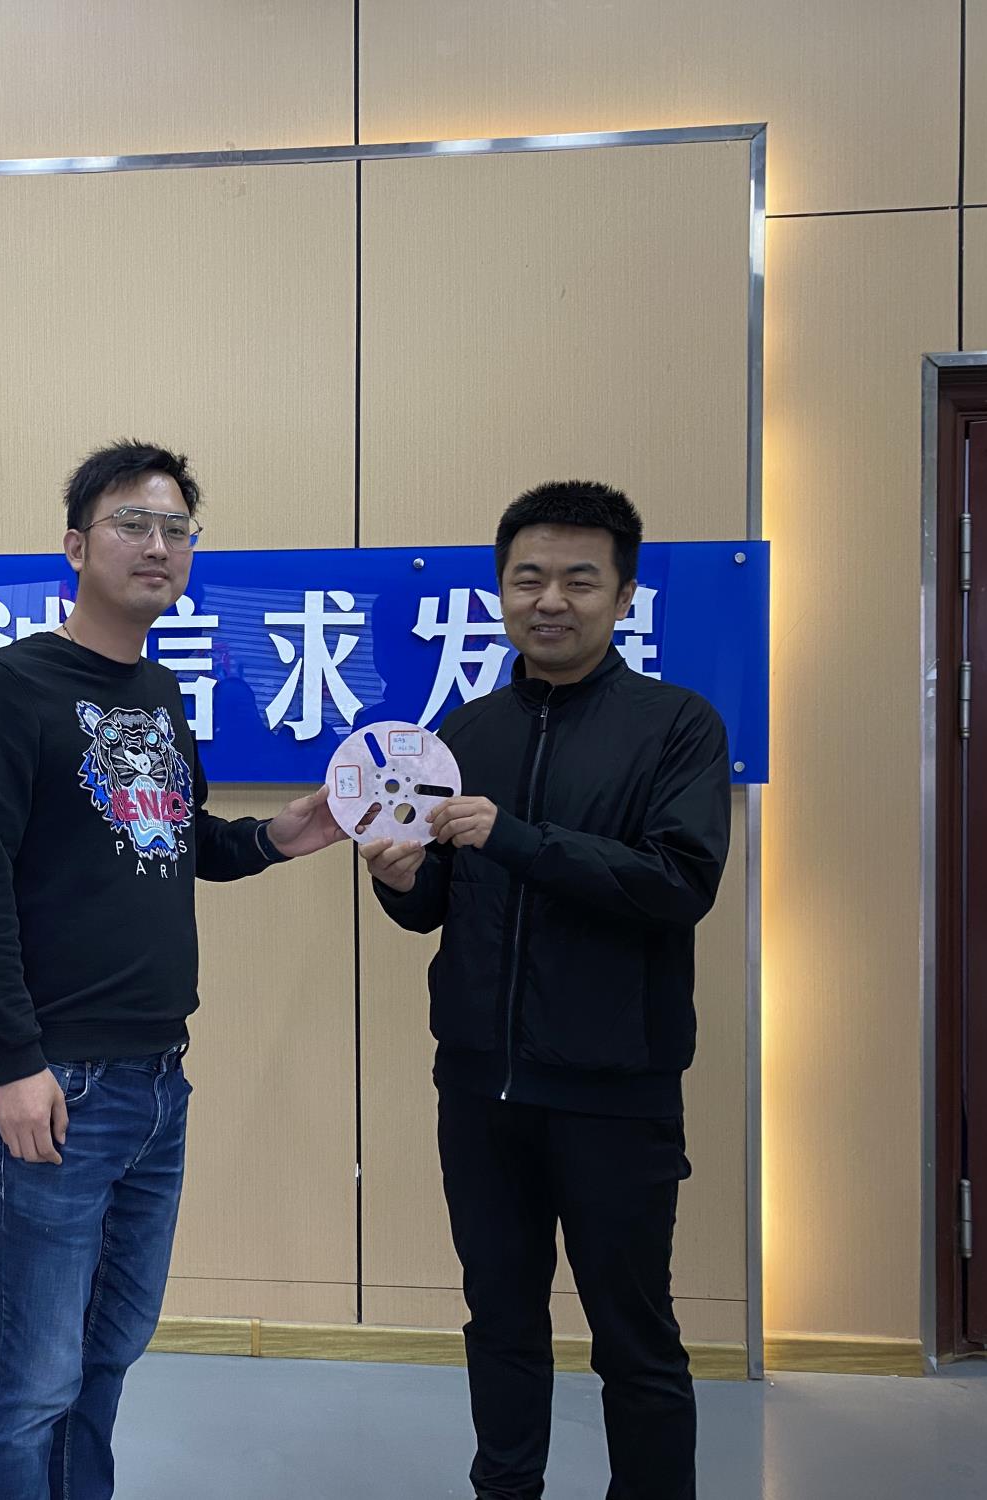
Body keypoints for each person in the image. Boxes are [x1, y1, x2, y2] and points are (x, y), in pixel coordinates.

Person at [0, 440, 343, 1499]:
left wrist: (280, 836)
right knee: (32, 1377)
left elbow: (176, 837)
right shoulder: (8, 687)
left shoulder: (159, 690)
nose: (156, 545)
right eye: (131, 523)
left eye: (175, 529)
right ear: (76, 547)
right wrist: (12, 1062)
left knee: (107, 1350)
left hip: (160, 1080)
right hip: (58, 1082)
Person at [365, 481, 731, 1500]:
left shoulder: (676, 726)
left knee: (634, 1337)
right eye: (527, 578)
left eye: (579, 579)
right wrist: (398, 881)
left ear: (622, 595)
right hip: (479, 1086)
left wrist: (517, 838)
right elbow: (435, 906)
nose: (550, 600)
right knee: (499, 1320)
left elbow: (676, 885)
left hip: (615, 1091)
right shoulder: (465, 729)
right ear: (500, 590)